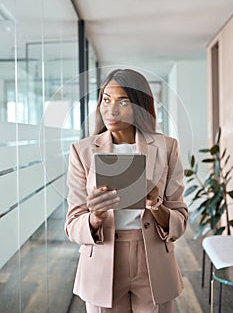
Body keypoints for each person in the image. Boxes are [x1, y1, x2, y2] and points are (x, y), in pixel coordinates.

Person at [65, 68, 188, 313]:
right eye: (106, 99)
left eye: (123, 101)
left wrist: (156, 205)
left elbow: (180, 220)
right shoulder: (82, 151)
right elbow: (72, 225)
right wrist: (95, 217)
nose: (111, 109)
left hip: (153, 259)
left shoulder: (166, 147)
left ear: (140, 106)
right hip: (102, 261)